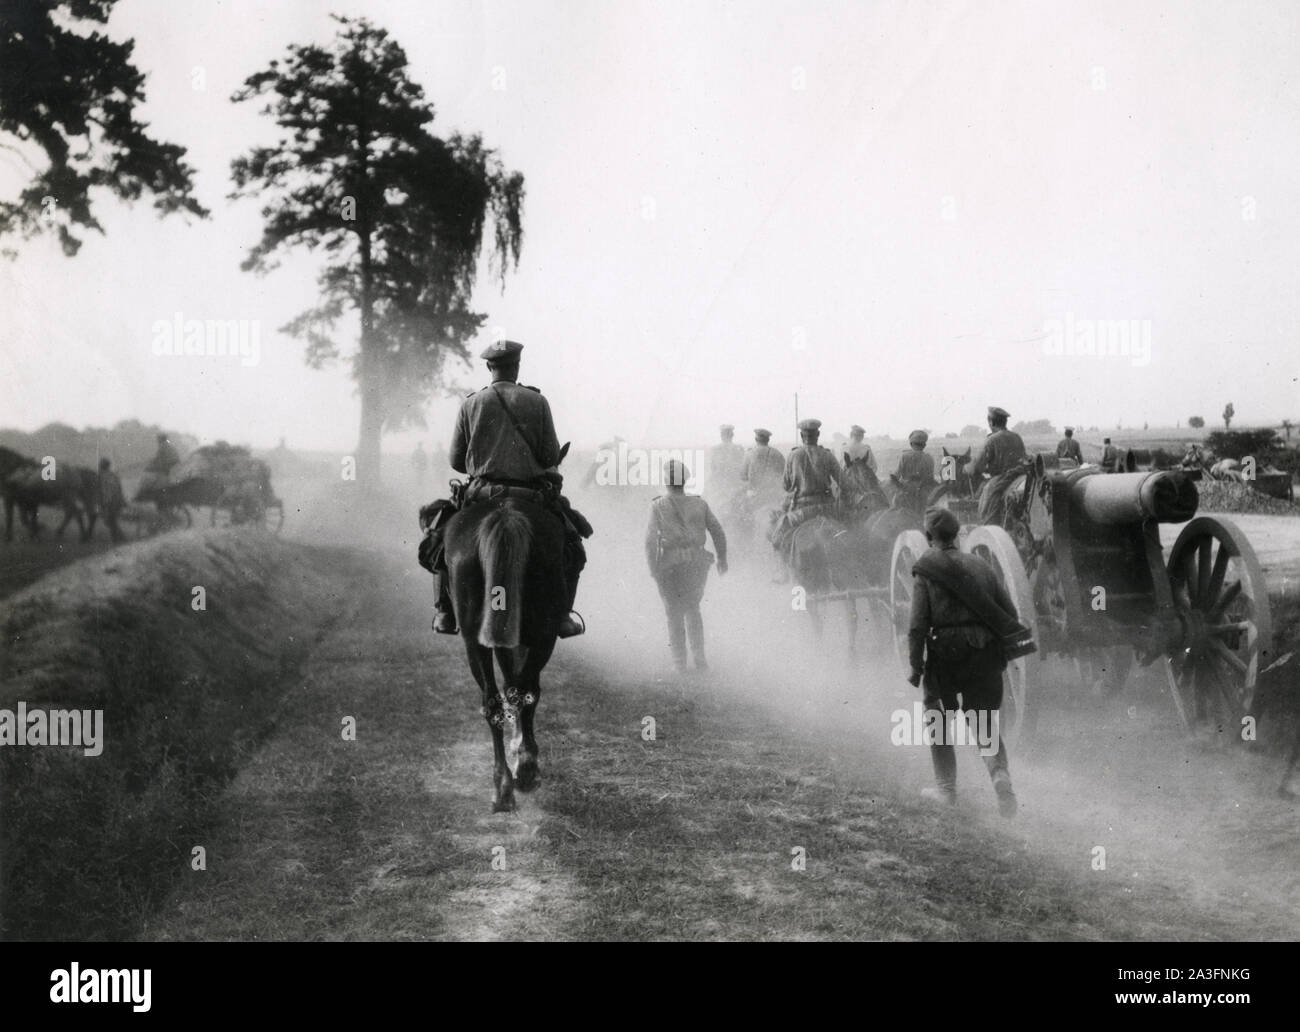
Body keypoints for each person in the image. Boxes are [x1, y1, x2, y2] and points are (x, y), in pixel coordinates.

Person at [419, 339, 587, 638]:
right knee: (572, 546)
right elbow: (550, 456)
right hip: (530, 496)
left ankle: (445, 611)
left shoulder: (471, 403)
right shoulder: (537, 401)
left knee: (441, 542)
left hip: (480, 495)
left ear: (488, 366)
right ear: (517, 365)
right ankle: (563, 616)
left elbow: (457, 461)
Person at [907, 507, 1031, 816]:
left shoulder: (925, 570)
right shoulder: (981, 565)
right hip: (984, 652)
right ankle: (1000, 776)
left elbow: (917, 625)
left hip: (945, 654)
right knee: (984, 721)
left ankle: (946, 790)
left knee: (937, 717)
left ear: (928, 537)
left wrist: (915, 665)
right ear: (958, 534)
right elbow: (1008, 615)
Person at [646, 459, 727, 672]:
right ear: (685, 481)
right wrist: (722, 558)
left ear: (666, 482)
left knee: (673, 612)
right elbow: (717, 531)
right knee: (693, 608)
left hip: (669, 565)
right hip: (697, 563)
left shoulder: (657, 506)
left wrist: (653, 568)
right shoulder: (700, 504)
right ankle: (700, 659)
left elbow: (649, 541)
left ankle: (679, 663)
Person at [769, 418, 841, 570]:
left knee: (777, 537)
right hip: (828, 509)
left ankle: (782, 572)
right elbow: (843, 482)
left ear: (802, 436)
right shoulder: (827, 455)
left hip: (801, 512)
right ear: (818, 435)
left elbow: (786, 485)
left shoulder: (793, 456)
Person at [970, 407, 1028, 525]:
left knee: (988, 501)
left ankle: (989, 524)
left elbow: (977, 467)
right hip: (1020, 475)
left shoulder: (991, 440)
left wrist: (970, 469)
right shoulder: (1016, 437)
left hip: (1000, 478)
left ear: (991, 422)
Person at [740, 428, 785, 504]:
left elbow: (743, 477)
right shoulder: (777, 454)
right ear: (768, 440)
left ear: (756, 439)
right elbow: (783, 474)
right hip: (772, 494)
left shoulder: (749, 453)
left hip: (754, 494)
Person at [708, 424, 745, 499]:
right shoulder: (739, 448)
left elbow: (713, 467)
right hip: (735, 484)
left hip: (720, 484)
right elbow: (743, 466)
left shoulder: (715, 449)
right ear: (732, 435)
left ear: (722, 436)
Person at [97, 458, 125, 543]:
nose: (99, 467)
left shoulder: (103, 476)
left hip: (110, 502)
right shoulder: (113, 475)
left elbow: (107, 491)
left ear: (102, 466)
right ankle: (120, 538)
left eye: (100, 465)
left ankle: (118, 540)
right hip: (117, 501)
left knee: (110, 521)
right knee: (111, 521)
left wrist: (105, 503)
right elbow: (119, 489)